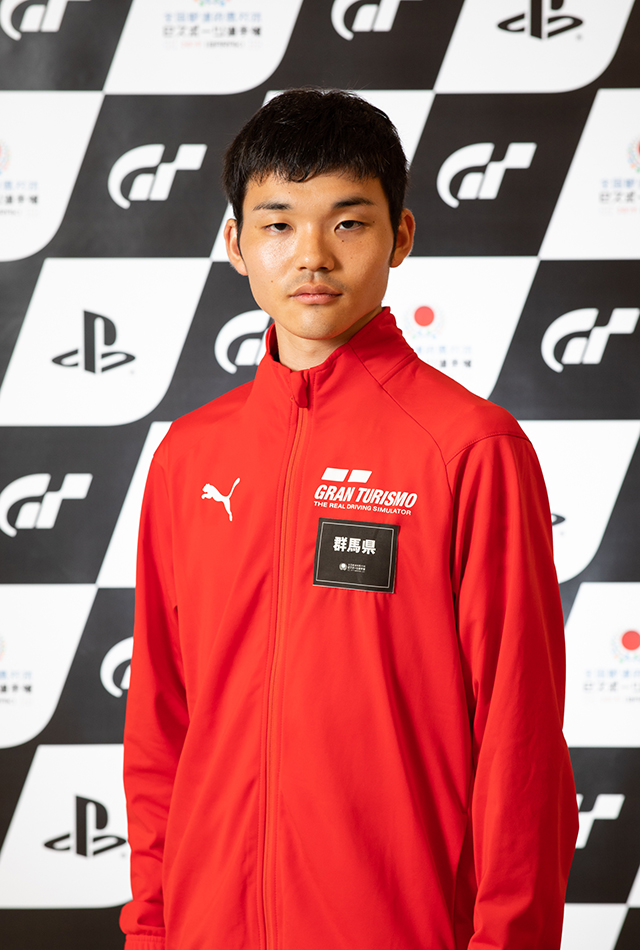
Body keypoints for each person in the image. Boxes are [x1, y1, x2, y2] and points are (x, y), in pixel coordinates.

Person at [120, 89, 578, 950]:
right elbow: (159, 722)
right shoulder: (190, 454)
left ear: (400, 236)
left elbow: (519, 742)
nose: (312, 256)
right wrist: (152, 930)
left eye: (348, 223)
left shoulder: (469, 448)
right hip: (208, 930)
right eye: (278, 224)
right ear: (236, 243)